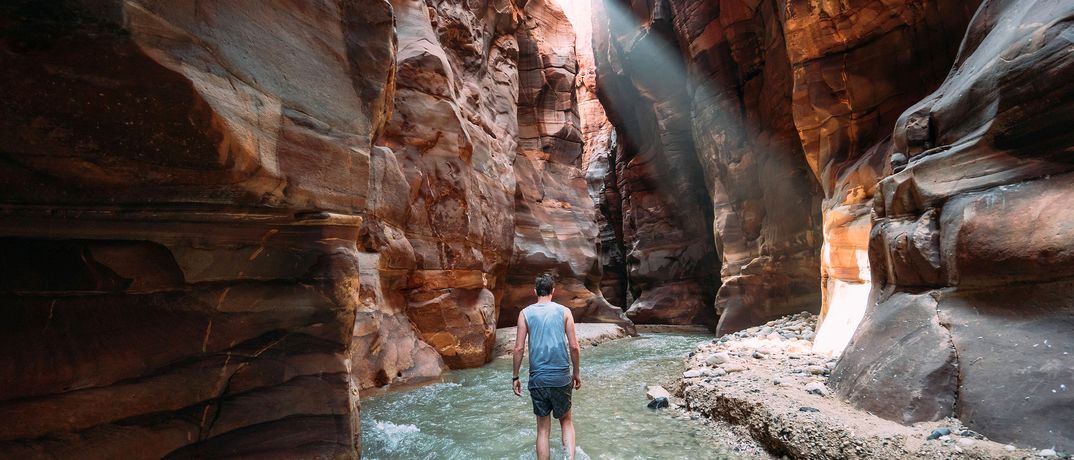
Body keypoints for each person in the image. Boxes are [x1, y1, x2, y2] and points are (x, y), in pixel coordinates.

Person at [512, 273, 582, 460]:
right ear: (553, 291)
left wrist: (515, 376)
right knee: (566, 422)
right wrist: (576, 373)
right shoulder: (565, 311)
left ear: (535, 291)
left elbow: (518, 348)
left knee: (543, 430)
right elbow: (574, 347)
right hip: (561, 377)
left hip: (538, 379)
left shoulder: (525, 313)